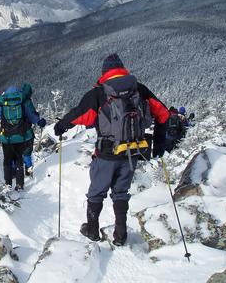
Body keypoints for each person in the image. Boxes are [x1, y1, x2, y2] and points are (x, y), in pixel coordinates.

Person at [54, 54, 169, 246]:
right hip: (132, 153)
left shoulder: (99, 93)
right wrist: (159, 143)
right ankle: (120, 235)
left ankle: (92, 230)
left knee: (96, 192)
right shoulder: (139, 90)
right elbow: (163, 114)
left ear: (104, 73)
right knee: (121, 192)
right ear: (122, 70)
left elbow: (81, 115)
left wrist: (61, 126)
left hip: (107, 154)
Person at [0, 86, 46, 191]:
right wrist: (40, 121)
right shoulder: (22, 105)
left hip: (7, 138)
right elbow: (33, 118)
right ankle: (19, 185)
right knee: (19, 159)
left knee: (8, 160)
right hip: (21, 138)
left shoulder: (2, 107)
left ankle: (8, 185)